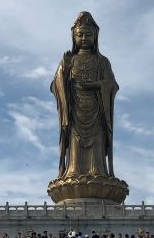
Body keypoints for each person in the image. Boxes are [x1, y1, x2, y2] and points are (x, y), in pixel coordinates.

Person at [51, 12, 119, 179]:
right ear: (74, 36)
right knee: (74, 141)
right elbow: (55, 85)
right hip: (75, 111)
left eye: (88, 34)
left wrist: (95, 85)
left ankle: (98, 173)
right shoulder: (69, 59)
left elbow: (111, 85)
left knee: (97, 143)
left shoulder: (102, 61)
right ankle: (73, 172)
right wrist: (65, 70)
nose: (84, 38)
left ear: (95, 36)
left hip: (97, 110)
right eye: (80, 34)